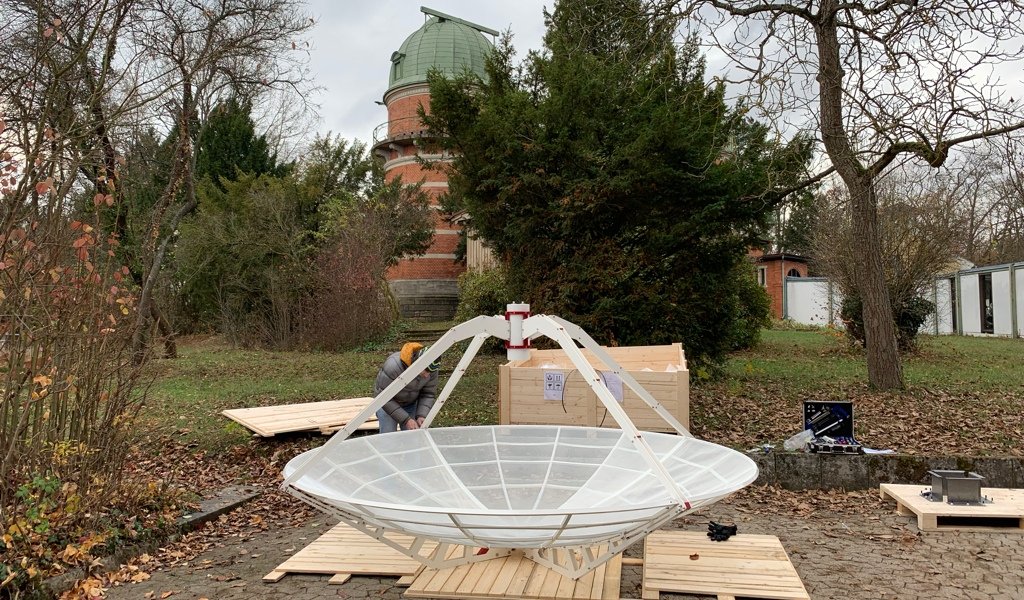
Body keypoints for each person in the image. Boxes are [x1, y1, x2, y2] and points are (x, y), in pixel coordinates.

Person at [374, 342, 440, 433]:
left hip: (410, 404)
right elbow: (383, 397)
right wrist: (406, 419)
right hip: (387, 405)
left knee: (412, 438)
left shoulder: (431, 369)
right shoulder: (393, 366)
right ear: (417, 363)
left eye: (430, 372)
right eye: (426, 371)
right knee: (388, 437)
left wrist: (422, 415)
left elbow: (428, 394)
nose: (427, 375)